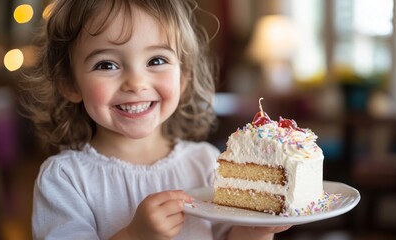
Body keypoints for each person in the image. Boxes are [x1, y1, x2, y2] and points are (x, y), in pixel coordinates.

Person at [19, 0, 291, 239]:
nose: (136, 83)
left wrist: (258, 229)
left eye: (157, 60)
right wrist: (135, 235)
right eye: (106, 64)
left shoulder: (206, 164)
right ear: (70, 83)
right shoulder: (65, 179)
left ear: (183, 75)